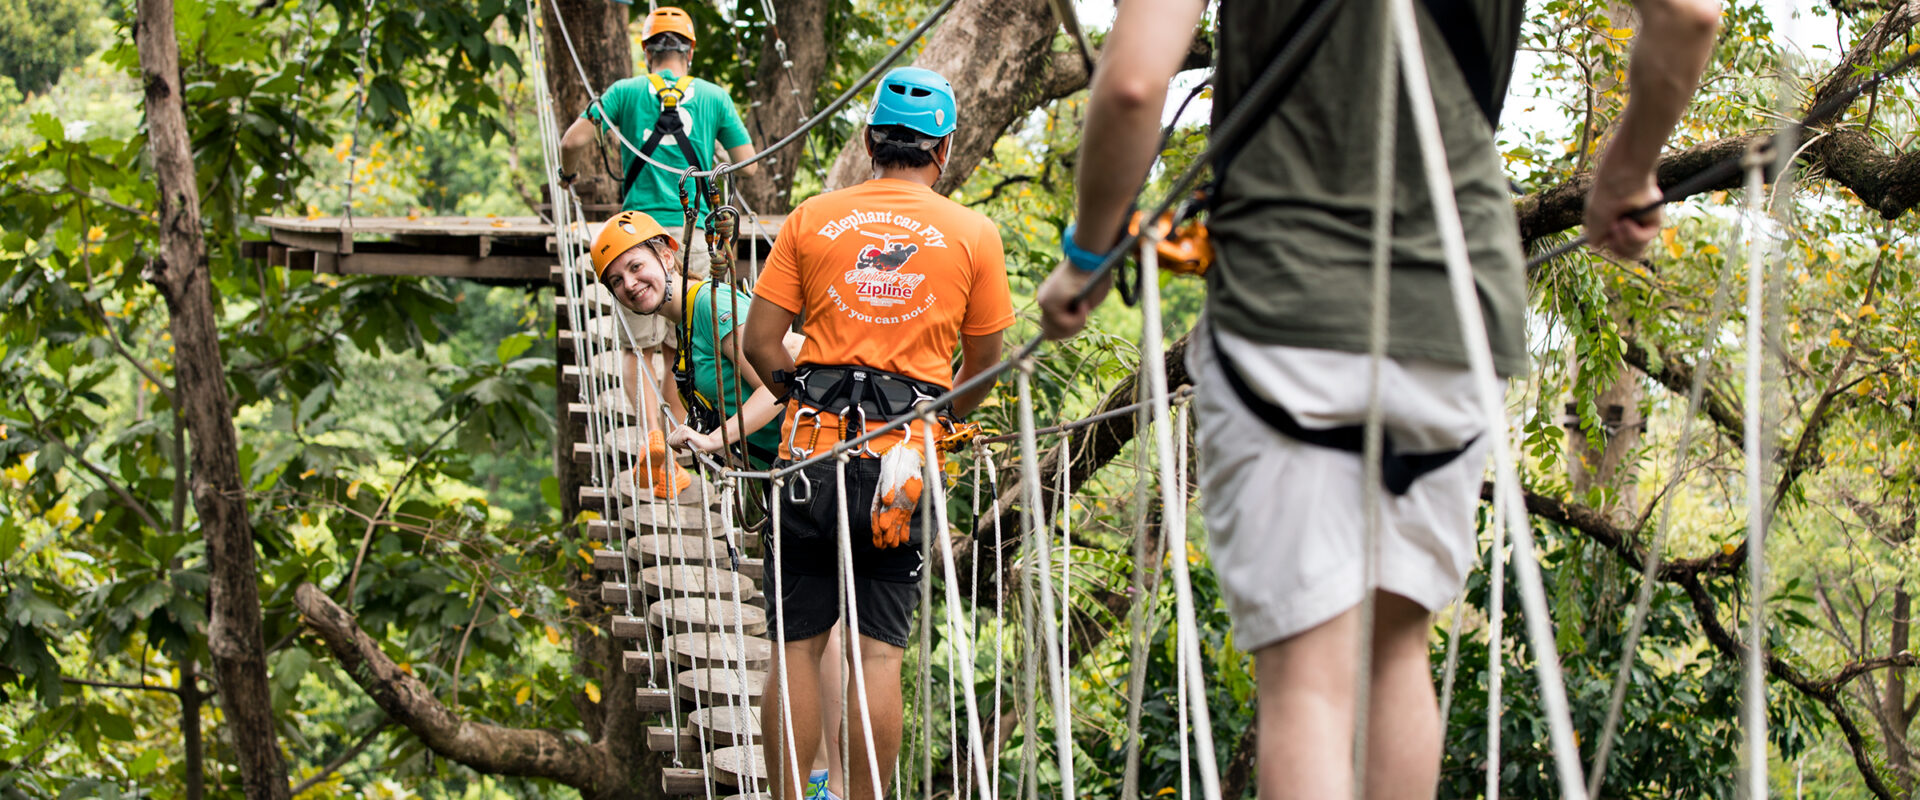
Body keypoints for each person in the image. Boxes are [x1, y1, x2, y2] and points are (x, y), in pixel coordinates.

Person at [1034, 0, 1718, 798]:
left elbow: (1132, 85)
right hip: (1454, 312)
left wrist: (1089, 251)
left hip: (1283, 306)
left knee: (1306, 680)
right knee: (1398, 655)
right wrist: (1629, 170)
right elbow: (1690, 14)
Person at [741, 67, 1014, 800]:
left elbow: (761, 342)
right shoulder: (973, 234)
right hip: (901, 465)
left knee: (796, 648)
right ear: (945, 149)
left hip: (809, 455)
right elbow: (984, 366)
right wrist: (947, 419)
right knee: (877, 653)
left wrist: (798, 397)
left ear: (869, 143)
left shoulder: (813, 218)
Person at [588, 210, 849, 800]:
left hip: (819, 465)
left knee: (818, 631)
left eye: (636, 266)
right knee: (811, 630)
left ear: (667, 251)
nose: (631, 284)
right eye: (617, 282)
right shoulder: (686, 328)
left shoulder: (714, 307)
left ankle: (834, 778)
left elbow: (783, 388)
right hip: (790, 476)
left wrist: (715, 438)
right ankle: (823, 777)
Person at [560, 6, 758, 433]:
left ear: (647, 50)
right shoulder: (713, 96)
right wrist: (716, 155)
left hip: (636, 239)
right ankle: (679, 440)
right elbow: (751, 165)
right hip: (693, 233)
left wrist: (568, 175)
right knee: (679, 346)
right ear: (690, 51)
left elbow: (571, 140)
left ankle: (650, 440)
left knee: (637, 350)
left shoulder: (623, 91)